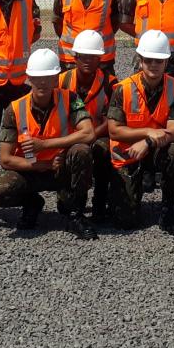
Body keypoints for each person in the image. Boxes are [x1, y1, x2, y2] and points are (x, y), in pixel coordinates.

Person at [0, 49, 98, 240]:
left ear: (56, 79)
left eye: (48, 77)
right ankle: (32, 203)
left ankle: (76, 215)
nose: (43, 82)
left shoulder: (70, 99)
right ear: (29, 78)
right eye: (38, 78)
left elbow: (88, 133)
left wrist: (45, 145)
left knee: (82, 151)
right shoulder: (14, 109)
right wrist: (43, 164)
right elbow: (6, 159)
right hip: (31, 170)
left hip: (61, 169)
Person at [106, 30, 174, 236]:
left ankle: (168, 211)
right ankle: (120, 195)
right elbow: (114, 131)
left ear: (166, 62)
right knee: (125, 221)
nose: (154, 64)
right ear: (140, 60)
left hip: (157, 150)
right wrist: (149, 133)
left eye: (159, 60)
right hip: (128, 153)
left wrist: (148, 142)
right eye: (148, 60)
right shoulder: (123, 89)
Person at [60, 28, 117, 223]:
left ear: (100, 59)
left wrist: (91, 136)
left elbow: (112, 119)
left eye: (92, 57)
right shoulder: (61, 81)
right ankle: (70, 194)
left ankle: (100, 201)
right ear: (75, 57)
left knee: (103, 150)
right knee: (64, 207)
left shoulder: (110, 83)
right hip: (68, 139)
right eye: (83, 56)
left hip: (98, 136)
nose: (87, 61)